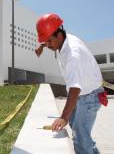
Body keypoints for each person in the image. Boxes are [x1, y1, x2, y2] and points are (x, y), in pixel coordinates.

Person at [36, 13, 105, 154]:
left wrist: (63, 117)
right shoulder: (62, 38)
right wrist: (42, 47)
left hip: (89, 96)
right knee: (76, 126)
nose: (47, 45)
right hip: (83, 93)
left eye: (49, 41)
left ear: (59, 35)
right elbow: (49, 40)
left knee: (80, 137)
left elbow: (75, 89)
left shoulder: (73, 54)